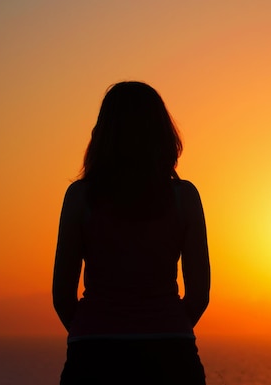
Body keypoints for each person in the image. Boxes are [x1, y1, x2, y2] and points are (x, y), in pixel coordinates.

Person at [52, 81, 210, 384]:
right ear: (162, 133)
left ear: (104, 134)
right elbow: (199, 295)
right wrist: (165, 325)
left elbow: (62, 296)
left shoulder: (79, 197)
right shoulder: (185, 197)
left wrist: (94, 328)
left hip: (94, 354)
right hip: (171, 353)